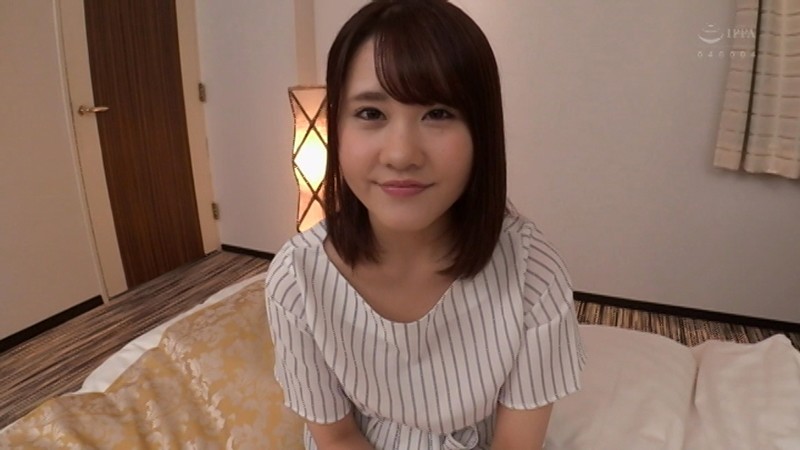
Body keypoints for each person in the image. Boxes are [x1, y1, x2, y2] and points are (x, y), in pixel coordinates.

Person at [265, 1, 586, 448]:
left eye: (437, 113)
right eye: (371, 113)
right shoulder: (297, 279)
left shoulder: (532, 272)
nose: (401, 154)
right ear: (335, 126)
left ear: (481, 132)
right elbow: (337, 437)